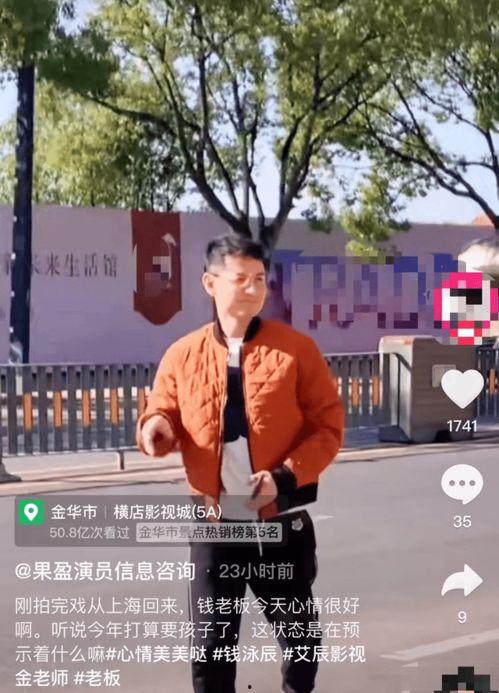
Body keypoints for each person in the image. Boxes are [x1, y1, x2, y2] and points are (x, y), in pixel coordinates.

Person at [136, 234, 344, 693]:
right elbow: (162, 409)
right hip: (216, 526)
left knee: (300, 640)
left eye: (260, 279)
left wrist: (284, 477)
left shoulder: (297, 350)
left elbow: (328, 428)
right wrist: (156, 428)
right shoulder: (182, 354)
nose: (252, 289)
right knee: (211, 647)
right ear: (210, 284)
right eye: (240, 279)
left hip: (280, 521)